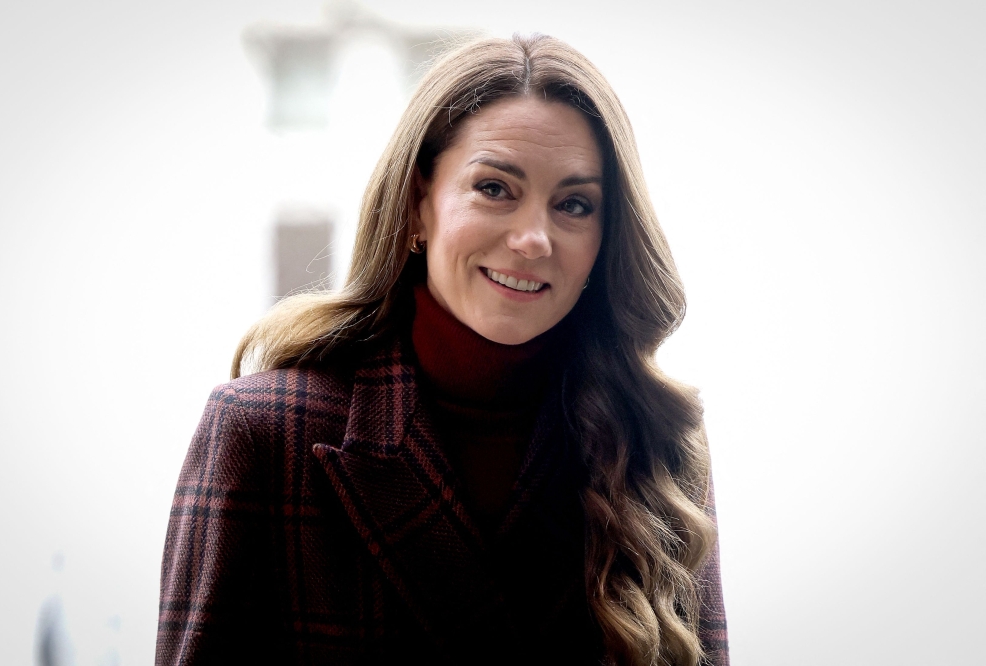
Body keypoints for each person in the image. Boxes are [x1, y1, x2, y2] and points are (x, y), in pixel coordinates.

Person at [157, 34, 727, 666]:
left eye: (573, 204)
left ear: (606, 236)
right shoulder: (264, 434)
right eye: (495, 188)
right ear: (416, 205)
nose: (534, 238)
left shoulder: (655, 442)